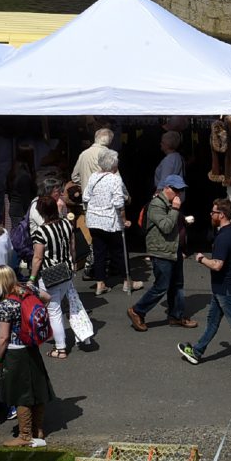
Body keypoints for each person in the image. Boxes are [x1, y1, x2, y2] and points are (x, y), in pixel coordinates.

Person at [179, 198, 231, 373]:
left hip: (226, 289)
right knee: (212, 322)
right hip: (222, 288)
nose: (211, 214)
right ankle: (196, 351)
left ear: (221, 215)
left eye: (213, 212)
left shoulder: (224, 237)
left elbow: (217, 265)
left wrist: (202, 259)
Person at [0, 266, 54, 448]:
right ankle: (38, 429)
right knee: (37, 389)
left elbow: (3, 338)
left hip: (15, 352)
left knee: (21, 394)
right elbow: (47, 298)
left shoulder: (5, 305)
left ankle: (25, 435)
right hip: (32, 346)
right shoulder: (28, 288)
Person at [29, 194, 96, 355]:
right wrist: (72, 264)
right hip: (66, 270)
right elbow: (72, 247)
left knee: (54, 311)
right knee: (63, 306)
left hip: (49, 274)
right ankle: (72, 338)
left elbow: (37, 258)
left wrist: (31, 278)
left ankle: (60, 347)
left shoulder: (41, 231)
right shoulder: (66, 224)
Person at [130, 176, 198, 331]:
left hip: (173, 250)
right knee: (161, 286)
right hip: (161, 251)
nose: (178, 193)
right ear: (166, 188)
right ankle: (137, 310)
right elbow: (166, 227)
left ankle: (177, 316)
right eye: (175, 189)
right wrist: (175, 209)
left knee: (178, 285)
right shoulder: (156, 205)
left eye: (180, 190)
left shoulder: (169, 203)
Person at [85, 148, 137, 295]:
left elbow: (85, 197)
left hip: (94, 220)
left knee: (99, 252)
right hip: (110, 221)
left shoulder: (93, 177)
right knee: (119, 251)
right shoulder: (115, 179)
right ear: (114, 165)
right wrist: (125, 220)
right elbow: (119, 203)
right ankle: (127, 281)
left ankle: (100, 283)